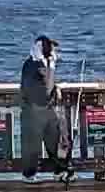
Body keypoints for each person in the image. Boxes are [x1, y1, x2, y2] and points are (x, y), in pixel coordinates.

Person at [18, 35, 73, 183]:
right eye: (50, 46)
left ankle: (60, 171)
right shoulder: (31, 64)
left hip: (49, 109)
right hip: (33, 110)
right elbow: (34, 87)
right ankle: (29, 174)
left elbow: (48, 83)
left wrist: (56, 88)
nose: (53, 50)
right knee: (32, 145)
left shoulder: (48, 63)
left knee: (56, 141)